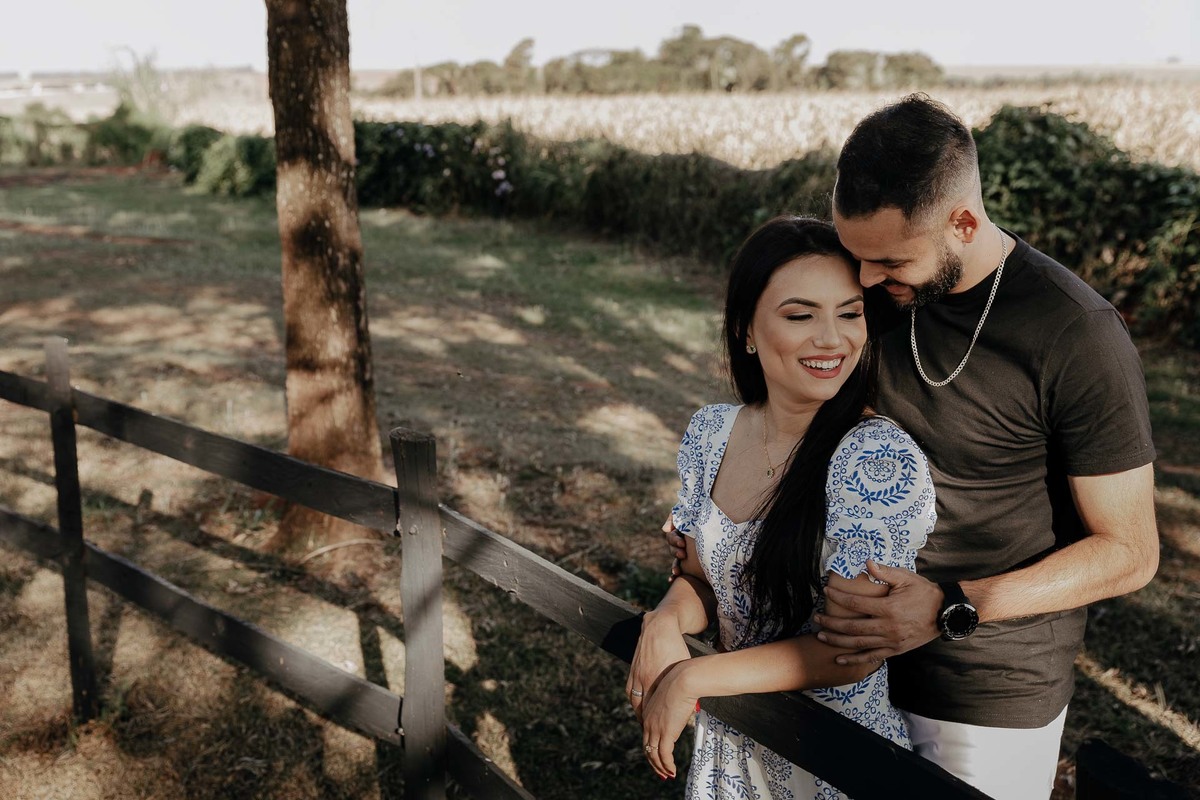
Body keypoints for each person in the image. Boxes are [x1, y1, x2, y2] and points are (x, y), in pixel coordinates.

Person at [665, 94, 1159, 799]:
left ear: (963, 222)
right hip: (835, 658)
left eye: (889, 262)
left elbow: (1130, 552)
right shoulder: (875, 286)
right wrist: (718, 527)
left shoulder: (1074, 333)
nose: (865, 283)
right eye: (856, 257)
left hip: (980, 686)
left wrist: (951, 603)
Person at [628, 216, 937, 798]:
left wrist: (694, 674)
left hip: (829, 757)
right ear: (746, 330)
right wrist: (665, 619)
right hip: (730, 751)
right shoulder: (712, 433)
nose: (833, 339)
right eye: (801, 315)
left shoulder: (875, 459)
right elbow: (699, 578)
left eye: (849, 313)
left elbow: (851, 654)